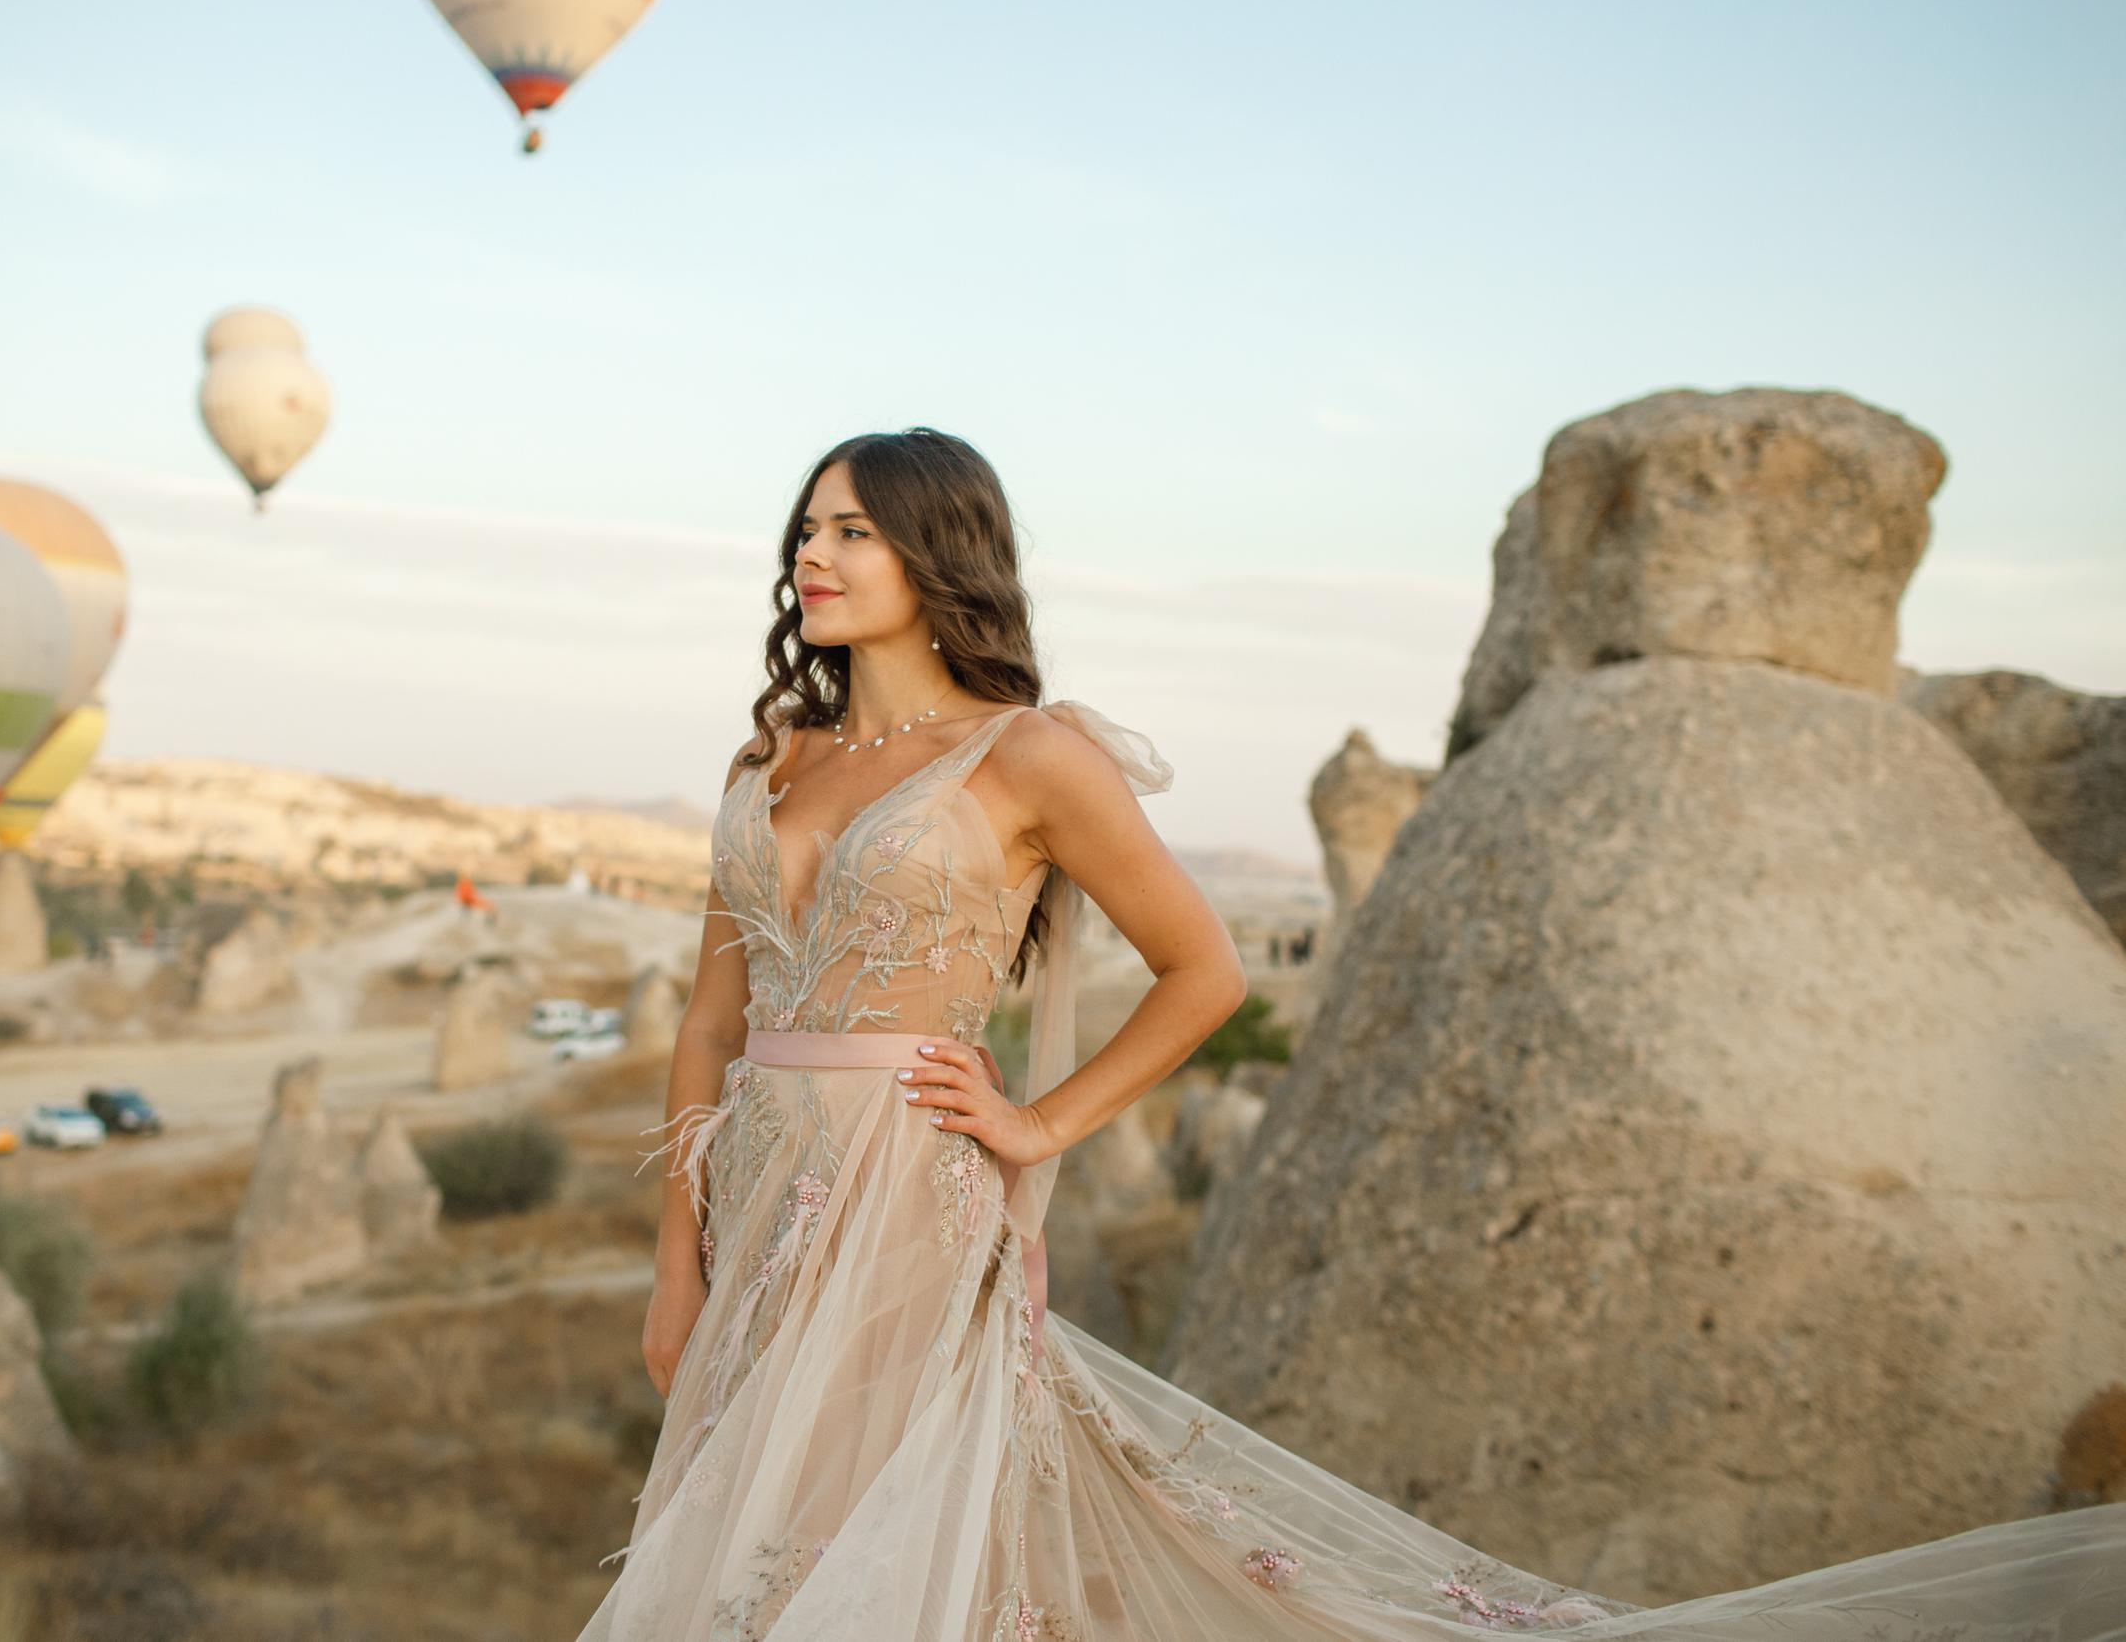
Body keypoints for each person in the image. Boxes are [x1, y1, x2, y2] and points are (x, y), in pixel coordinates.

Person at [581, 429, 2121, 1640]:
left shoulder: (1029, 756)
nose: (814, 552)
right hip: (760, 1206)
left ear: (939, 548)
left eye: (854, 526)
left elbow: (1205, 970)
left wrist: (1041, 1127)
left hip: (909, 1197)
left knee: (869, 1550)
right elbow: (713, 1024)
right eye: (808, 525)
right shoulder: (772, 756)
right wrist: (677, 1258)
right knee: (745, 1553)